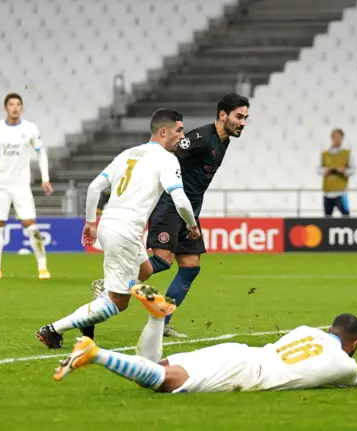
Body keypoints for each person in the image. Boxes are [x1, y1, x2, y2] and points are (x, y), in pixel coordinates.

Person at [86, 94, 250, 339]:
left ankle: (162, 322)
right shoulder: (202, 138)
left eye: (246, 118)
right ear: (222, 115)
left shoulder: (223, 141)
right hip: (171, 205)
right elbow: (167, 153)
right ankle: (108, 286)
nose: (243, 122)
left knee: (190, 266)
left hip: (189, 210)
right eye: (239, 116)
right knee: (162, 259)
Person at [35, 108, 200, 349]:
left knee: (144, 270)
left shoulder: (127, 154)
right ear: (163, 132)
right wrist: (192, 225)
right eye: (179, 130)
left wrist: (90, 223)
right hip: (124, 232)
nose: (182, 135)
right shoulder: (167, 159)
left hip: (110, 226)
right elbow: (180, 199)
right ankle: (53, 330)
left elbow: (94, 187)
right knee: (118, 303)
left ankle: (93, 306)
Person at [54, 287, 357, 394]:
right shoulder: (346, 365)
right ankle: (94, 353)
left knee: (153, 369)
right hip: (247, 373)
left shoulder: (307, 330)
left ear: (330, 329)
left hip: (240, 352)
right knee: (166, 383)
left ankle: (157, 317)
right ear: (355, 343)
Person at [0, 93, 53, 280]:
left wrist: (45, 178)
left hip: (21, 186)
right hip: (0, 185)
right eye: (11, 104)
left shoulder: (30, 129)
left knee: (31, 226)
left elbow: (41, 153)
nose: (15, 108)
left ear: (22, 108)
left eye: (18, 105)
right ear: (5, 108)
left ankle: (43, 268)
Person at [318, 128, 355, 217]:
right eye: (335, 137)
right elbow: (318, 169)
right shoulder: (325, 154)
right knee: (327, 217)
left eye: (339, 137)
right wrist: (325, 171)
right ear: (332, 138)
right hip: (327, 192)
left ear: (342, 138)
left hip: (341, 192)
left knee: (346, 215)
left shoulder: (346, 153)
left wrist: (343, 171)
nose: (337, 139)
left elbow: (353, 170)